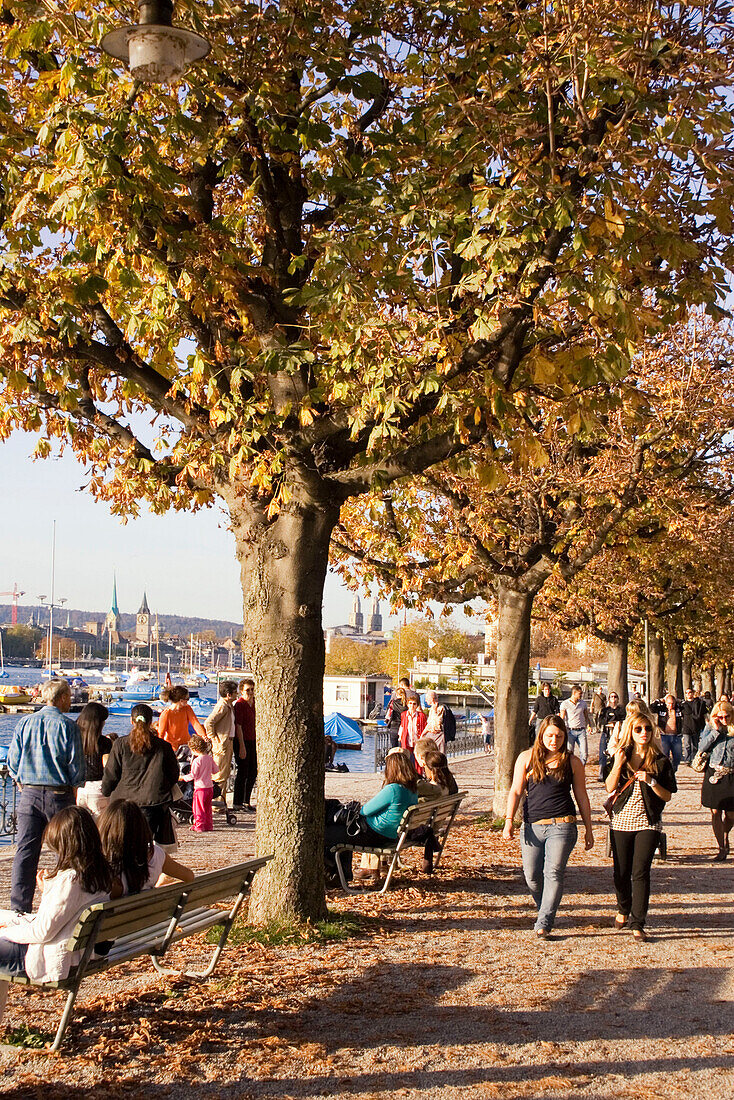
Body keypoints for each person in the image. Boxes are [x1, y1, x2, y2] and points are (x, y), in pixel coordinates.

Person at [0, 806, 112, 989]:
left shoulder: (71, 879)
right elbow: (65, 912)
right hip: (80, 950)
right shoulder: (100, 872)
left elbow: (42, 932)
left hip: (50, 955)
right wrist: (48, 892)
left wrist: (5, 932)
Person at [503, 716, 593, 938]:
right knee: (532, 876)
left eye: (560, 736)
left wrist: (589, 828)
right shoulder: (526, 758)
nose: (555, 740)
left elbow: (582, 796)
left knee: (553, 872)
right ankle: (546, 908)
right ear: (541, 735)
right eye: (550, 736)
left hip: (562, 826)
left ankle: (543, 922)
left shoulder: (572, 762)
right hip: (532, 825)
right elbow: (515, 791)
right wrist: (508, 821)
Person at [7, 678, 85, 914]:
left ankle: (19, 908)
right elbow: (76, 768)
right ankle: (64, 904)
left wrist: (23, 783)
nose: (71, 701)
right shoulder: (68, 726)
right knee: (68, 851)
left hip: (29, 794)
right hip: (59, 795)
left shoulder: (24, 723)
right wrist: (73, 788)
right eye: (69, 697)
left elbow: (12, 762)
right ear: (61, 698)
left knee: (26, 851)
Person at [604, 710, 676, 941]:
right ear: (630, 732)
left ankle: (638, 921)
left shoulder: (661, 761)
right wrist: (618, 763)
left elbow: (667, 796)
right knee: (621, 872)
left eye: (647, 729)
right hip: (622, 820)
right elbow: (608, 787)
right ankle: (623, 908)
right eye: (638, 729)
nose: (643, 733)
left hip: (648, 821)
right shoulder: (621, 756)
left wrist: (652, 781)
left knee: (640, 872)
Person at [325, 749, 419, 884]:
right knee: (340, 830)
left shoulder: (393, 789)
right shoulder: (412, 790)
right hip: (389, 834)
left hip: (373, 834)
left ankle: (335, 875)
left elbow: (365, 811)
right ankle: (341, 875)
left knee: (328, 833)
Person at [101, 704, 180, 848]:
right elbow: (174, 774)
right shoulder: (163, 746)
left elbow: (111, 773)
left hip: (123, 801)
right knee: (145, 846)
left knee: (122, 843)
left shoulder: (120, 744)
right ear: (150, 722)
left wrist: (106, 791)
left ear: (131, 721)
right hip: (153, 802)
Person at [98, 800, 194, 894]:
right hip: (154, 909)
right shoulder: (155, 855)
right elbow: (189, 876)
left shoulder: (104, 866)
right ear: (142, 826)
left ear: (106, 829)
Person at [698, 700, 734, 860]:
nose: (724, 719)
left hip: (731, 775)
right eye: (721, 717)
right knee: (715, 812)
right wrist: (716, 730)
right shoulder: (711, 727)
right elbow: (702, 747)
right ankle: (721, 847)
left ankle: (725, 833)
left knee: (732, 814)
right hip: (714, 773)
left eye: (727, 716)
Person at [76, 702, 113, 819]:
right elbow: (108, 766)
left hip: (80, 789)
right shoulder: (104, 742)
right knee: (100, 830)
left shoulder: (75, 739)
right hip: (98, 789)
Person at [205, 680, 238, 799]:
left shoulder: (229, 706)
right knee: (219, 774)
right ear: (228, 694)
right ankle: (216, 802)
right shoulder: (222, 706)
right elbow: (209, 722)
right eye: (235, 692)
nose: (237, 694)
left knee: (225, 773)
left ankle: (221, 800)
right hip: (222, 743)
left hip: (228, 741)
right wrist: (214, 739)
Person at [157, 686, 206, 752]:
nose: (188, 701)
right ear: (181, 700)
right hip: (172, 748)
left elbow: (195, 724)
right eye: (187, 699)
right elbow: (161, 734)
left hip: (186, 745)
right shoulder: (166, 714)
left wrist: (204, 736)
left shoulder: (187, 708)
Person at [233, 678, 257, 811]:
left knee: (253, 771)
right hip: (243, 740)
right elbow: (239, 726)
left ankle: (246, 800)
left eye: (252, 689)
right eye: (248, 690)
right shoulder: (240, 705)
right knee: (243, 771)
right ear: (241, 691)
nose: (250, 692)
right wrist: (242, 746)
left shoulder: (254, 704)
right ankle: (237, 801)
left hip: (253, 740)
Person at [559, 685, 592, 765]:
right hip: (570, 731)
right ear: (574, 693)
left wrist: (588, 725)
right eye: (579, 693)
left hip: (581, 730)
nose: (581, 695)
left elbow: (586, 716)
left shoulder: (583, 703)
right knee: (569, 753)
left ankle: (581, 769)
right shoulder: (565, 703)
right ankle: (570, 770)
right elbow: (562, 717)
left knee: (584, 753)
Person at [188, 734, 215, 832]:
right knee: (208, 808)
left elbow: (193, 775)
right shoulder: (209, 758)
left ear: (194, 750)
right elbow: (216, 770)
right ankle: (209, 825)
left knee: (198, 808)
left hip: (200, 788)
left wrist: (183, 778)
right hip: (210, 787)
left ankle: (199, 825)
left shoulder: (197, 761)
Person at [652, 692, 684, 772]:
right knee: (664, 755)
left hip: (676, 736)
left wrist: (680, 701)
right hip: (664, 736)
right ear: (666, 703)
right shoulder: (662, 709)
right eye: (669, 703)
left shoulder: (678, 709)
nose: (671, 705)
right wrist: (659, 700)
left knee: (678, 756)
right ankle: (665, 771)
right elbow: (651, 708)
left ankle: (673, 770)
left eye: (672, 703)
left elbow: (687, 707)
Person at [597, 692, 625, 781]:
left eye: (615, 696)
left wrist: (616, 724)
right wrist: (608, 723)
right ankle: (601, 774)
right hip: (606, 733)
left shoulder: (621, 710)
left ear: (618, 699)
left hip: (617, 735)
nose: (613, 698)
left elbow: (623, 720)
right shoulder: (605, 710)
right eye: (611, 696)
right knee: (603, 753)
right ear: (609, 698)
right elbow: (601, 721)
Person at [681, 687, 707, 766]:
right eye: (687, 693)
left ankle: (694, 759)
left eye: (690, 692)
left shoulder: (698, 703)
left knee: (695, 745)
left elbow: (704, 714)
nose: (688, 694)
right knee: (687, 744)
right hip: (686, 727)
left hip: (696, 726)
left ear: (693, 693)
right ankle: (687, 759)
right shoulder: (683, 705)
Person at [385, 685, 408, 750]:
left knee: (394, 747)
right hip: (404, 726)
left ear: (397, 694)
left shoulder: (393, 703)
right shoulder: (407, 704)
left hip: (394, 725)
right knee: (403, 747)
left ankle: (395, 759)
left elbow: (388, 714)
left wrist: (387, 722)